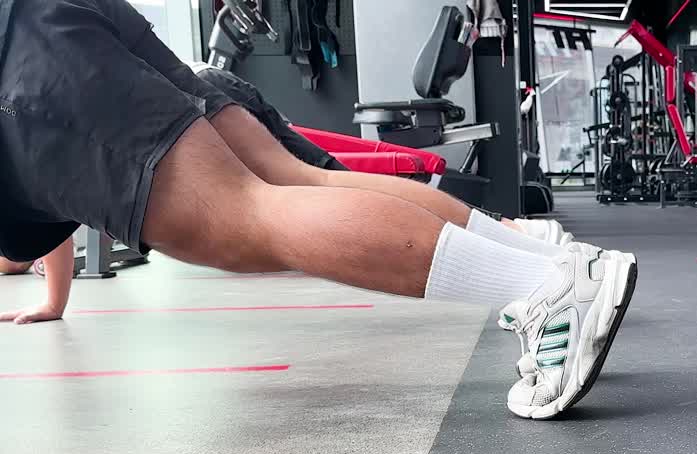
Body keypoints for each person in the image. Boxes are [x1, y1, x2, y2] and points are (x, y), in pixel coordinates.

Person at [0, 0, 637, 419]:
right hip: (46, 22)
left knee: (244, 217)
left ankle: (549, 289)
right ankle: (557, 264)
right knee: (296, 183)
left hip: (20, 70)